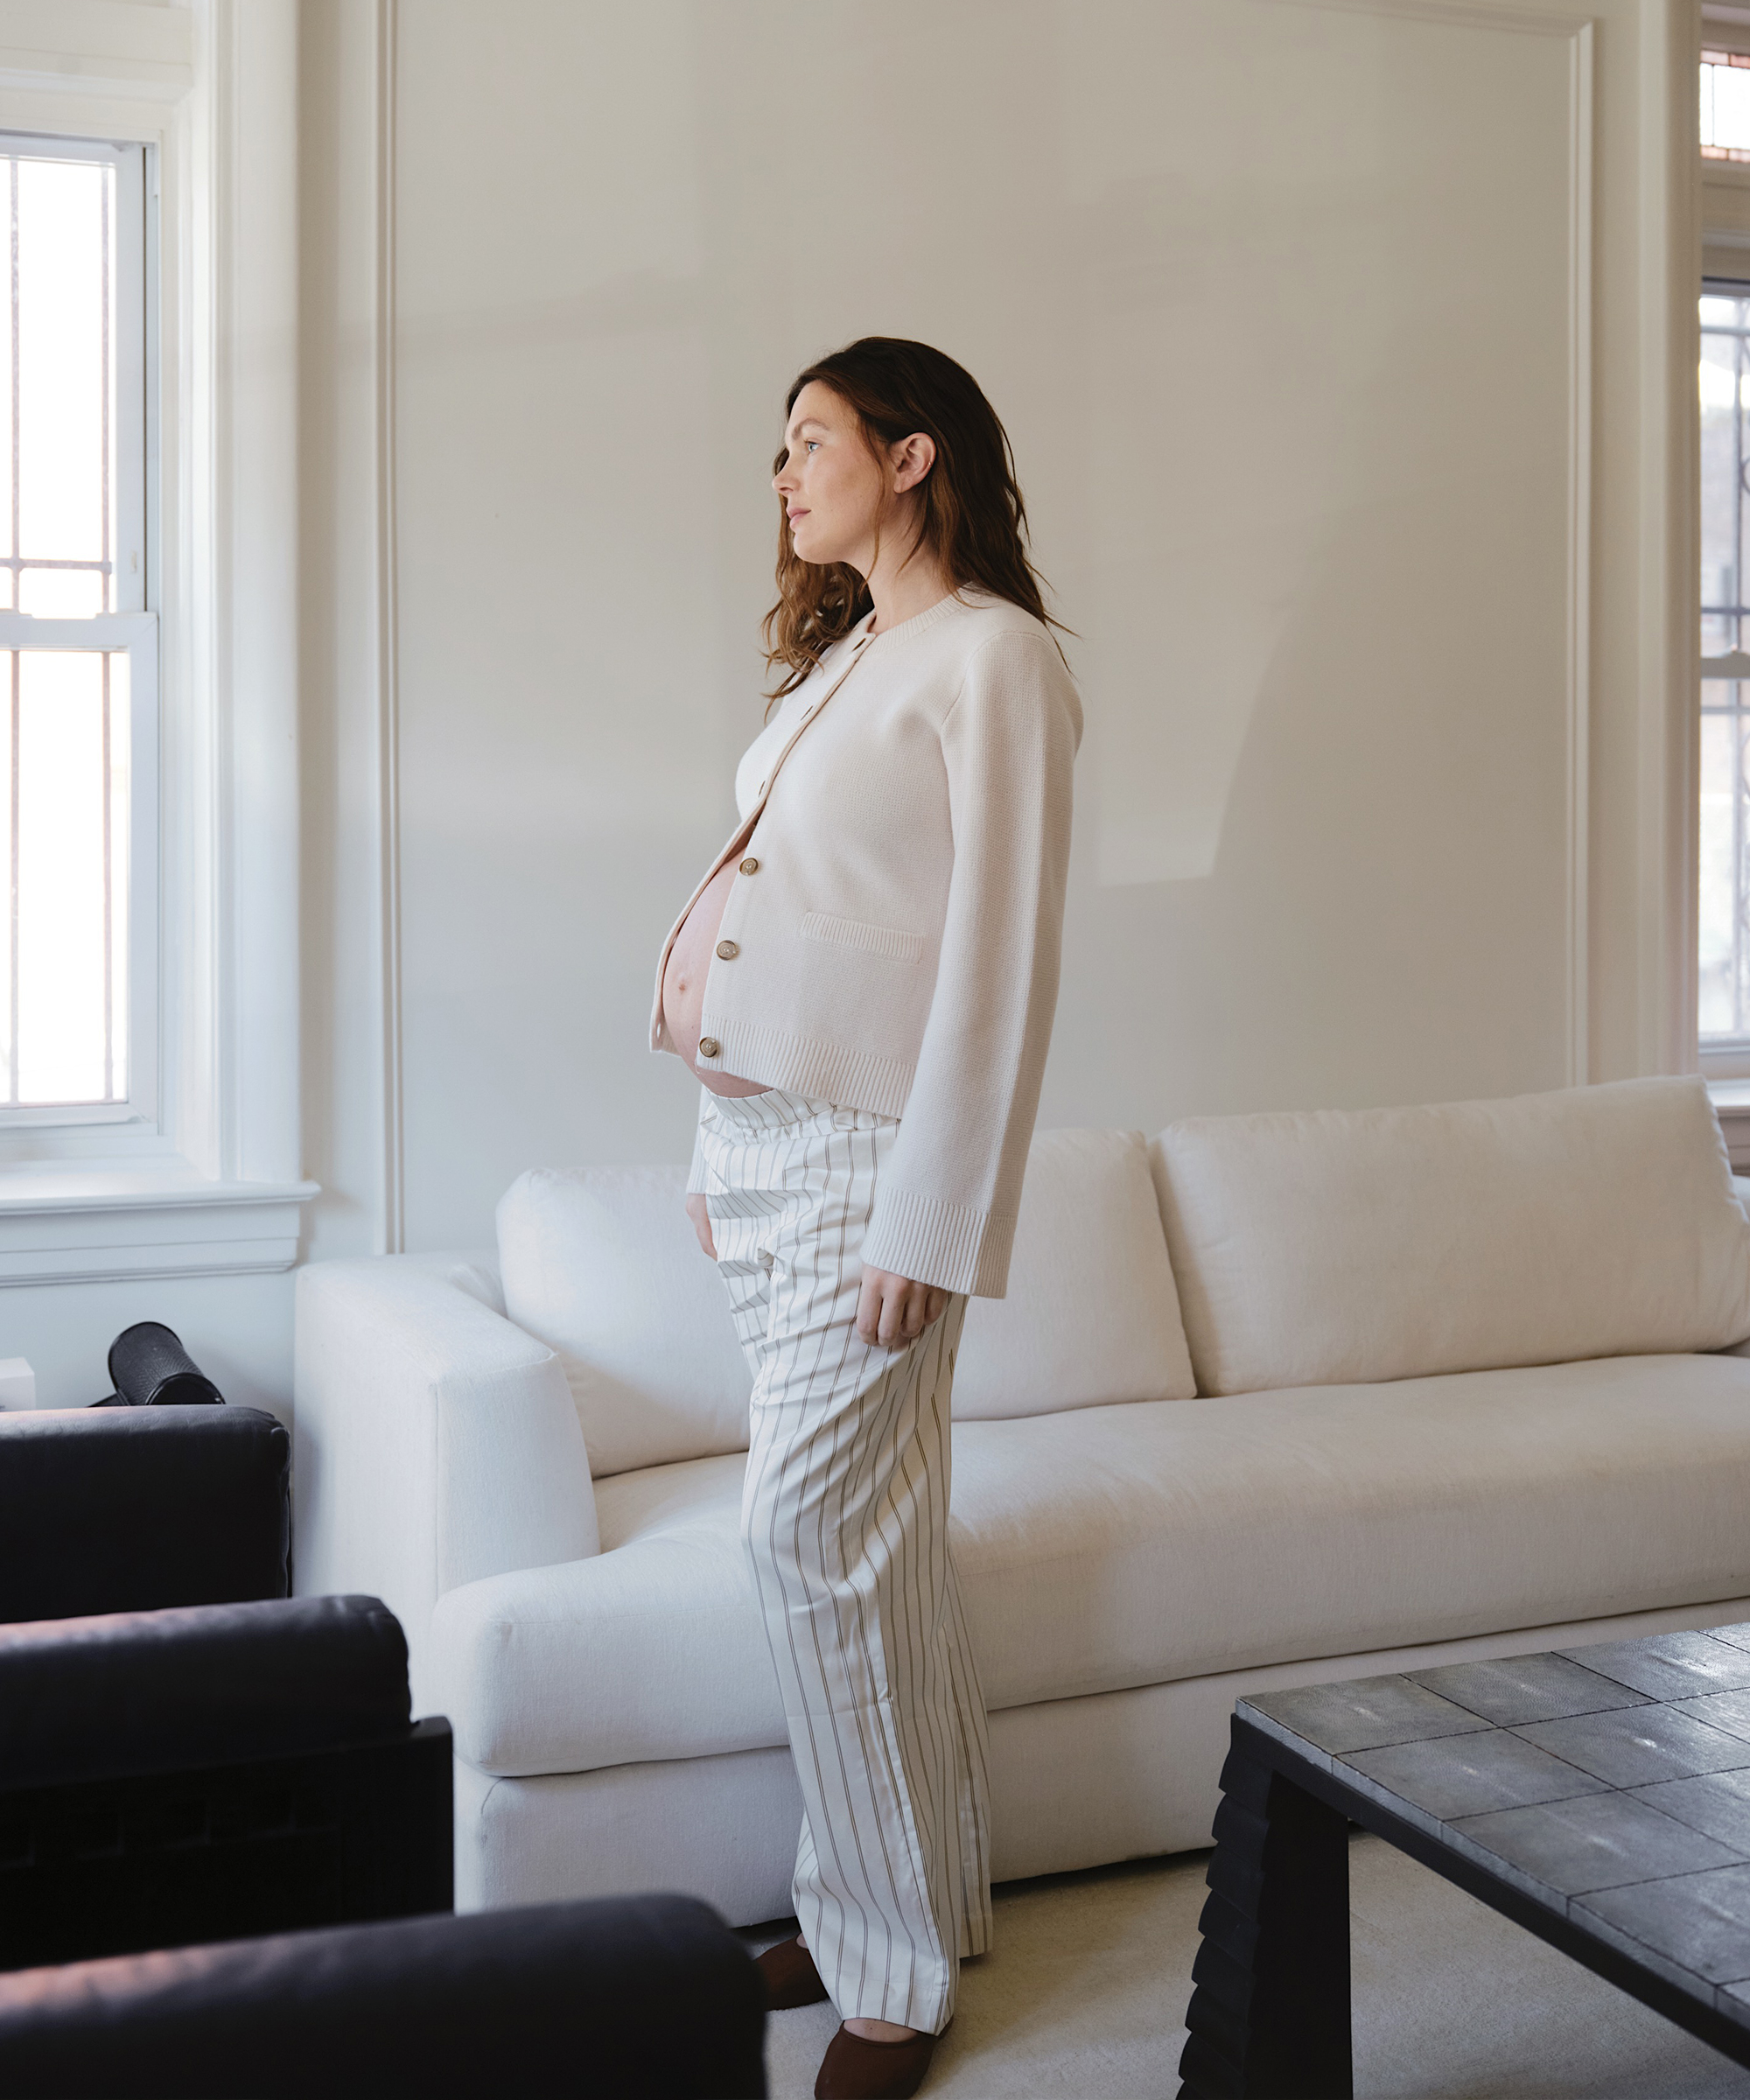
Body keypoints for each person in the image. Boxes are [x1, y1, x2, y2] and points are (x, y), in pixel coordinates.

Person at [651, 336, 1081, 2100]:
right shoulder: (846, 662)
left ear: (912, 457)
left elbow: (1002, 959)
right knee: (878, 1556)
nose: (783, 474)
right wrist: (706, 1150)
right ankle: (902, 1908)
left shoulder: (995, 662)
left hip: (866, 1169)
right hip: (756, 1163)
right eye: (776, 449)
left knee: (801, 1538)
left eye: (810, 441)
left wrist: (936, 1208)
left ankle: (885, 1981)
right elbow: (768, 916)